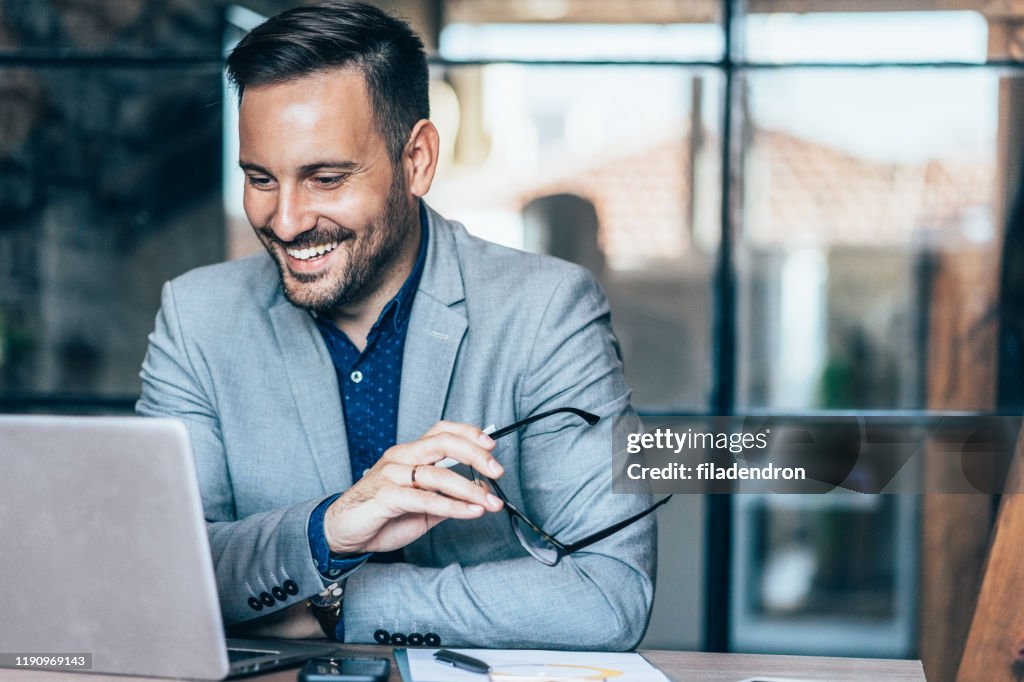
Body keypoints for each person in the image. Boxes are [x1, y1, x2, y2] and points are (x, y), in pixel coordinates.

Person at [136, 0, 655, 650]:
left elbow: (610, 593)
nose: (287, 220)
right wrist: (327, 529)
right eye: (260, 178)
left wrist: (339, 604)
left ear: (417, 160)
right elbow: (162, 570)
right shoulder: (196, 318)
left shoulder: (548, 311)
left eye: (325, 178)